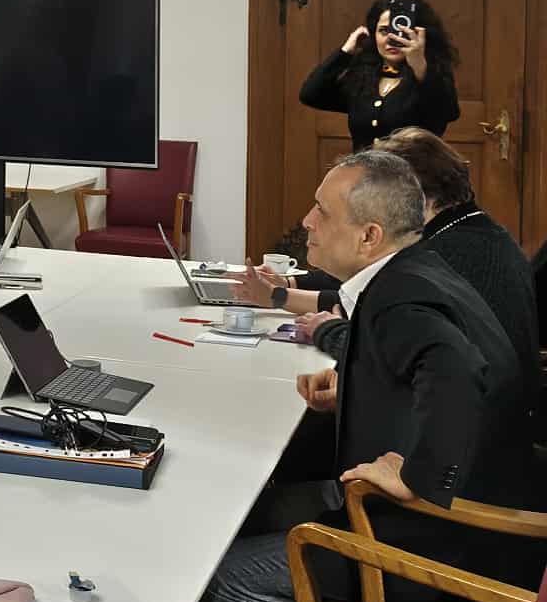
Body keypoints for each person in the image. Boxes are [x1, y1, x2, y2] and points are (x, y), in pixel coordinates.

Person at [202, 149, 537, 602]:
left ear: (369, 236)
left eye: (322, 211)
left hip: (433, 536)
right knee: (245, 511)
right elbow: (428, 373)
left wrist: (417, 474)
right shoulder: (417, 269)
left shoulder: (400, 298)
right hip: (449, 511)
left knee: (227, 580)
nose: (306, 221)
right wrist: (356, 390)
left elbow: (458, 369)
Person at [230, 129, 542, 408]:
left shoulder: (441, 255)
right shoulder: (469, 232)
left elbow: (391, 346)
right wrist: (285, 289)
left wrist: (328, 330)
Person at [298, 0, 458, 152]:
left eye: (401, 30)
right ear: (372, 34)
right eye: (383, 30)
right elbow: (310, 94)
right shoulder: (362, 79)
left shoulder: (432, 78)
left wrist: (420, 67)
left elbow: (446, 113)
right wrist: (345, 52)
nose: (392, 38)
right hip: (364, 168)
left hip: (413, 169)